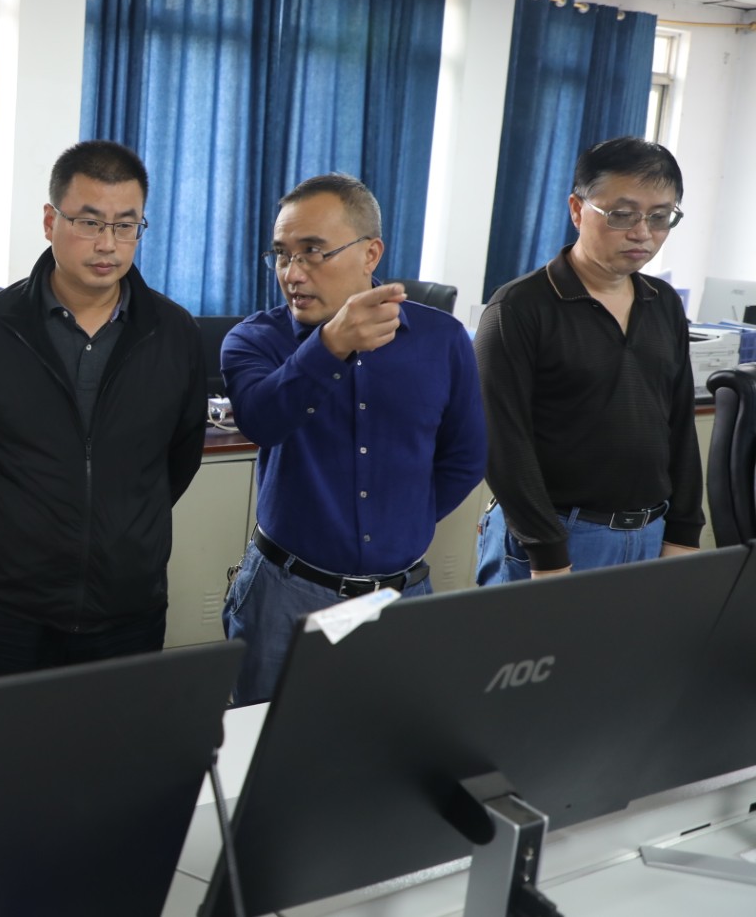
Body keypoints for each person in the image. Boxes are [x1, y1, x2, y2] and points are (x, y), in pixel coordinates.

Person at [0, 140, 207, 681]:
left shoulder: (174, 333)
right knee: (0, 736)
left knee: (114, 738)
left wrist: (126, 526)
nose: (108, 244)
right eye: (89, 222)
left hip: (129, 607)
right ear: (51, 221)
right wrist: (6, 523)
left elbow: (180, 456)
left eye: (126, 225)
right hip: (10, 606)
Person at [221, 173, 485, 705]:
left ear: (371, 253)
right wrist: (329, 345)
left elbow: (465, 457)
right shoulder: (254, 340)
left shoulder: (441, 339)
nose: (293, 273)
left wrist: (400, 519)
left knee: (388, 740)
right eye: (282, 254)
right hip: (286, 592)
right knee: (267, 742)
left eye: (313, 252)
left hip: (399, 594)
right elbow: (262, 421)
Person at [475, 137, 702, 582]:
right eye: (622, 215)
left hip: (650, 533)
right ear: (577, 210)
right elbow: (502, 444)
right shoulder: (519, 308)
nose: (642, 233)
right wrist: (548, 554)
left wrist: (683, 532)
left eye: (660, 217)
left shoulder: (664, 303)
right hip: (558, 537)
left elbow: (679, 423)